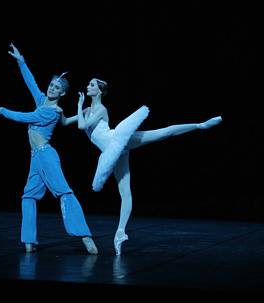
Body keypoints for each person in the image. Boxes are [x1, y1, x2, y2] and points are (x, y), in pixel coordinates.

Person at [71, 78, 222, 255]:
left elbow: (81, 126)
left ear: (99, 90)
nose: (88, 86)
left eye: (92, 85)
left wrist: (79, 104)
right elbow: (65, 122)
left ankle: (200, 125)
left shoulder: (100, 109)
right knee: (125, 193)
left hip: (117, 140)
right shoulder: (87, 111)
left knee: (163, 133)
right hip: (113, 152)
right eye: (89, 84)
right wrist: (53, 106)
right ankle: (120, 233)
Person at [0, 44, 98, 255]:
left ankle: (85, 236)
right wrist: (21, 61)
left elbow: (25, 117)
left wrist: (2, 110)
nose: (52, 88)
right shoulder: (42, 101)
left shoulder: (51, 112)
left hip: (46, 156)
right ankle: (29, 242)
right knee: (28, 196)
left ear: (62, 93)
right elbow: (31, 82)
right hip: (35, 157)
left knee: (63, 191)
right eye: (51, 85)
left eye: (57, 88)